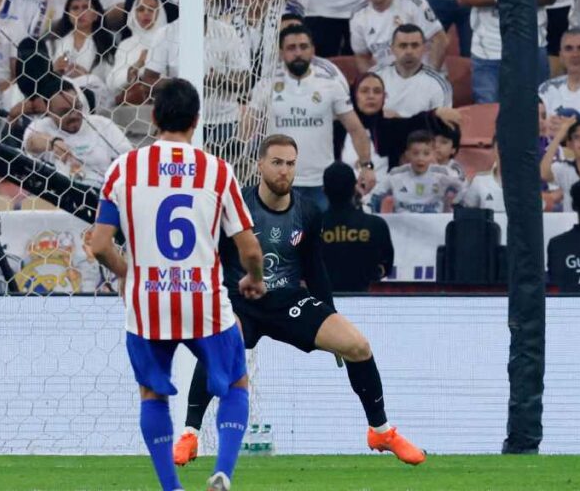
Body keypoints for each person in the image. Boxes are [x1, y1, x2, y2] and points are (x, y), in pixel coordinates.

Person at [171, 136, 423, 468]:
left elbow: (314, 269)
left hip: (288, 301)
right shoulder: (235, 206)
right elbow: (210, 256)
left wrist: (329, 313)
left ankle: (381, 431)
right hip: (240, 301)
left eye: (290, 164)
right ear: (260, 165)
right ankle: (190, 434)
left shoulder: (308, 211)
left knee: (357, 345)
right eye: (276, 162)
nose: (284, 171)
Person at [89, 78, 265, 491]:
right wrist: (254, 280)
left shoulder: (123, 168)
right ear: (197, 120)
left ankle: (171, 488)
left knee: (153, 395)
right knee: (236, 384)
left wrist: (127, 272)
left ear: (154, 118)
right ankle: (222, 471)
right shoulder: (217, 170)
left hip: (147, 304)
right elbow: (250, 248)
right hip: (203, 301)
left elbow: (98, 244)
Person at [250, 25, 376, 210]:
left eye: (303, 46)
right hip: (277, 183)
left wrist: (367, 166)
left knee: (321, 238)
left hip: (321, 184)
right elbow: (248, 129)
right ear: (281, 53)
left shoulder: (330, 84)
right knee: (279, 239)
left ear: (312, 50)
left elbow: (356, 129)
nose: (298, 52)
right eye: (292, 48)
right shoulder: (265, 85)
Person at [22, 80, 132, 188]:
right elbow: (31, 143)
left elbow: (129, 159)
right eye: (64, 112)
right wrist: (53, 143)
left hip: (105, 193)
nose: (74, 115)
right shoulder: (40, 126)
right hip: (63, 196)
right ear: (49, 111)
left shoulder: (102, 124)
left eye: (77, 107)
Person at [351, 0, 447, 73]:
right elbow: (361, 56)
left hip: (422, 74)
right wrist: (372, 80)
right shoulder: (358, 16)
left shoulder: (412, 1)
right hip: (389, 83)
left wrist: (430, 75)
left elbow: (440, 39)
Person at [321, 161, 395, 292]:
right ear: (354, 188)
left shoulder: (312, 227)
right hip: (364, 300)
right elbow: (386, 267)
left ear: (324, 190)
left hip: (325, 303)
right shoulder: (376, 225)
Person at [106, 0, 167, 146]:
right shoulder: (126, 44)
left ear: (160, 13)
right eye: (140, 9)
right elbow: (112, 82)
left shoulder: (169, 42)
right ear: (133, 13)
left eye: (152, 9)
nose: (146, 14)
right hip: (129, 110)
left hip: (161, 109)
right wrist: (133, 71)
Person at [372, 24, 462, 128]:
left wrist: (399, 121)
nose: (409, 52)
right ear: (392, 49)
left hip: (420, 141)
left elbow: (442, 127)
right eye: (403, 46)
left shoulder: (438, 84)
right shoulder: (375, 76)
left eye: (415, 46)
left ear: (424, 48)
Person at [367, 130, 466, 213]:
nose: (420, 158)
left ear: (433, 154)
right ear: (407, 154)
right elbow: (373, 197)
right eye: (415, 153)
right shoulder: (396, 175)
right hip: (403, 228)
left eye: (426, 154)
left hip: (434, 227)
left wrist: (450, 204)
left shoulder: (444, 174)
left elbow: (463, 190)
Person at [49, 0, 116, 110]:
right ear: (68, 15)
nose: (80, 12)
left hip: (97, 103)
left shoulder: (107, 44)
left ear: (96, 15)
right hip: (64, 101)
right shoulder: (56, 44)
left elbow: (112, 86)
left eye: (85, 7)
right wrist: (54, 71)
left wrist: (87, 77)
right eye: (75, 8)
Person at [463, 140, 505, 212]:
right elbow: (468, 212)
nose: (503, 153)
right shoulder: (480, 180)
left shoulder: (526, 184)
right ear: (493, 150)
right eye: (500, 148)